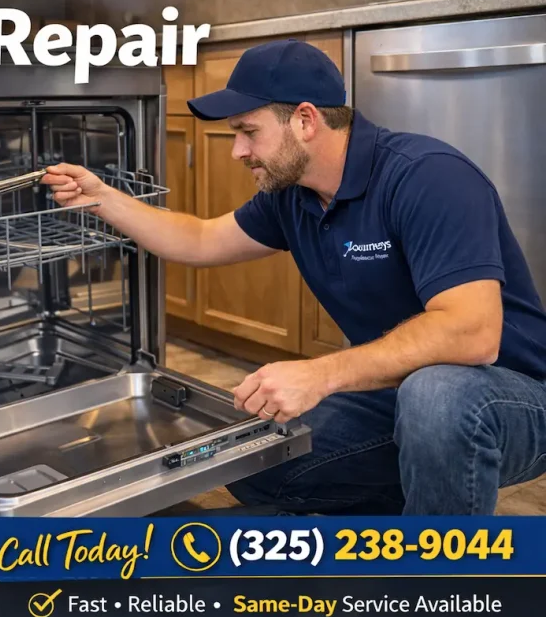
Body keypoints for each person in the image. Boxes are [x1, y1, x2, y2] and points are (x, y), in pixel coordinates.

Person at [41, 39, 546, 515]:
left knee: (436, 397)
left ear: (305, 120)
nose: (237, 151)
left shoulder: (427, 176)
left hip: (512, 398)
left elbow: (472, 334)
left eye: (248, 131)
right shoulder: (293, 195)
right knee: (252, 461)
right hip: (399, 392)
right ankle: (410, 497)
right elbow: (198, 239)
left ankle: (438, 584)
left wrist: (319, 374)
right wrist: (103, 198)